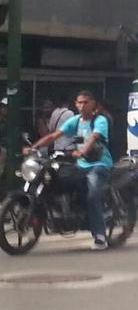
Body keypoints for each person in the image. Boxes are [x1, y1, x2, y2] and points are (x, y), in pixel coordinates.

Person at [24, 90, 113, 251]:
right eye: (79, 102)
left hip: (99, 165)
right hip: (80, 165)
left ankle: (100, 236)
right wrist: (33, 147)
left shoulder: (100, 121)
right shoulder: (75, 121)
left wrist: (83, 151)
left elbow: (94, 137)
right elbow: (53, 136)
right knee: (59, 180)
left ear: (93, 103)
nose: (82, 105)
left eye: (86, 102)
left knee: (92, 195)